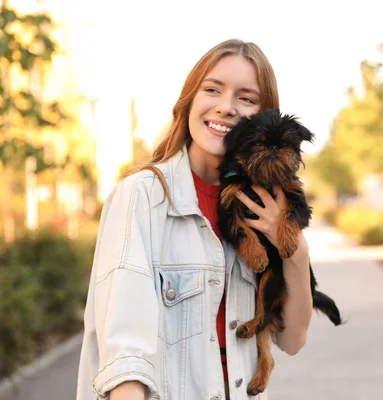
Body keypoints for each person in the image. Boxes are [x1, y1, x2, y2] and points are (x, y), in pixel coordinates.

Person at [76, 39, 314, 400]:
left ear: (265, 117)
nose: (226, 107)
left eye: (246, 98)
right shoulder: (142, 197)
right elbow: (126, 358)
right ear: (190, 98)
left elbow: (292, 340)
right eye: (213, 89)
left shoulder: (266, 207)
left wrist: (295, 249)